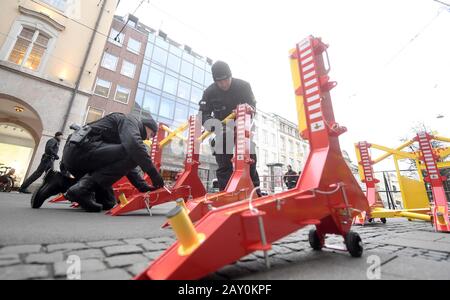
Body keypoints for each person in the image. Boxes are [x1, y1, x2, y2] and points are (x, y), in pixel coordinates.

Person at [31, 113, 165, 212]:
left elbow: (127, 165)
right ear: (146, 126)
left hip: (82, 156)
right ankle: (81, 189)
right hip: (81, 151)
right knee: (134, 151)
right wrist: (154, 175)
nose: (150, 138)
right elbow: (134, 149)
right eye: (152, 135)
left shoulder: (125, 134)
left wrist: (142, 186)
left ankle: (58, 183)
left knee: (108, 202)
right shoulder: (130, 121)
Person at [199, 61, 260, 192]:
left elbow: (253, 106)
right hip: (221, 129)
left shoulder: (244, 86)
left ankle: (255, 191)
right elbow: (203, 114)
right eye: (220, 82)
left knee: (250, 157)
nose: (224, 84)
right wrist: (213, 124)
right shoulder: (209, 92)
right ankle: (225, 192)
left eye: (227, 80)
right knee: (223, 160)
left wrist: (249, 109)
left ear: (230, 76)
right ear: (215, 81)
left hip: (242, 127)